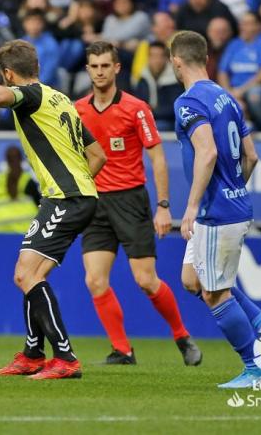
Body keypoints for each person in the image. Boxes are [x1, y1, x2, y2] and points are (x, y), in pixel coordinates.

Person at [0, 39, 107, 380]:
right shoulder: (61, 99)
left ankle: (65, 358)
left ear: (8, 73)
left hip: (66, 198)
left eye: (4, 76)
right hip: (71, 196)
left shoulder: (31, 95)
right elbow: (98, 156)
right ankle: (33, 355)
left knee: (27, 275)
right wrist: (78, 184)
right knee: (25, 272)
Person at [170, 31, 261, 388]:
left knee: (214, 292)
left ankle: (257, 367)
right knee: (192, 280)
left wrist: (193, 205)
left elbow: (206, 153)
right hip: (234, 203)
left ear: (177, 61)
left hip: (215, 212)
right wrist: (235, 188)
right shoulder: (227, 97)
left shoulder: (188, 102)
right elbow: (251, 155)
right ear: (205, 58)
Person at [75, 41, 200, 366]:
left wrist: (162, 205)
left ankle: (181, 335)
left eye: (105, 65)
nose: (100, 71)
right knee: (94, 280)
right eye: (94, 66)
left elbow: (157, 157)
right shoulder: (77, 110)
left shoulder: (136, 108)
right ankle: (123, 350)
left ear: (117, 68)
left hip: (131, 199)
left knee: (145, 279)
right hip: (95, 203)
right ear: (88, 69)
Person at [217, 12, 261, 131]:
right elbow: (222, 72)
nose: (243, 27)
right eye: (242, 23)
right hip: (234, 91)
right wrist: (228, 93)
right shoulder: (234, 44)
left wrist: (241, 91)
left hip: (260, 89)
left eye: (248, 24)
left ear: (259, 26)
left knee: (255, 94)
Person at [0, 146, 40, 233]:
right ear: (21, 159)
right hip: (24, 235)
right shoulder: (27, 181)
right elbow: (41, 207)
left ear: (6, 160)